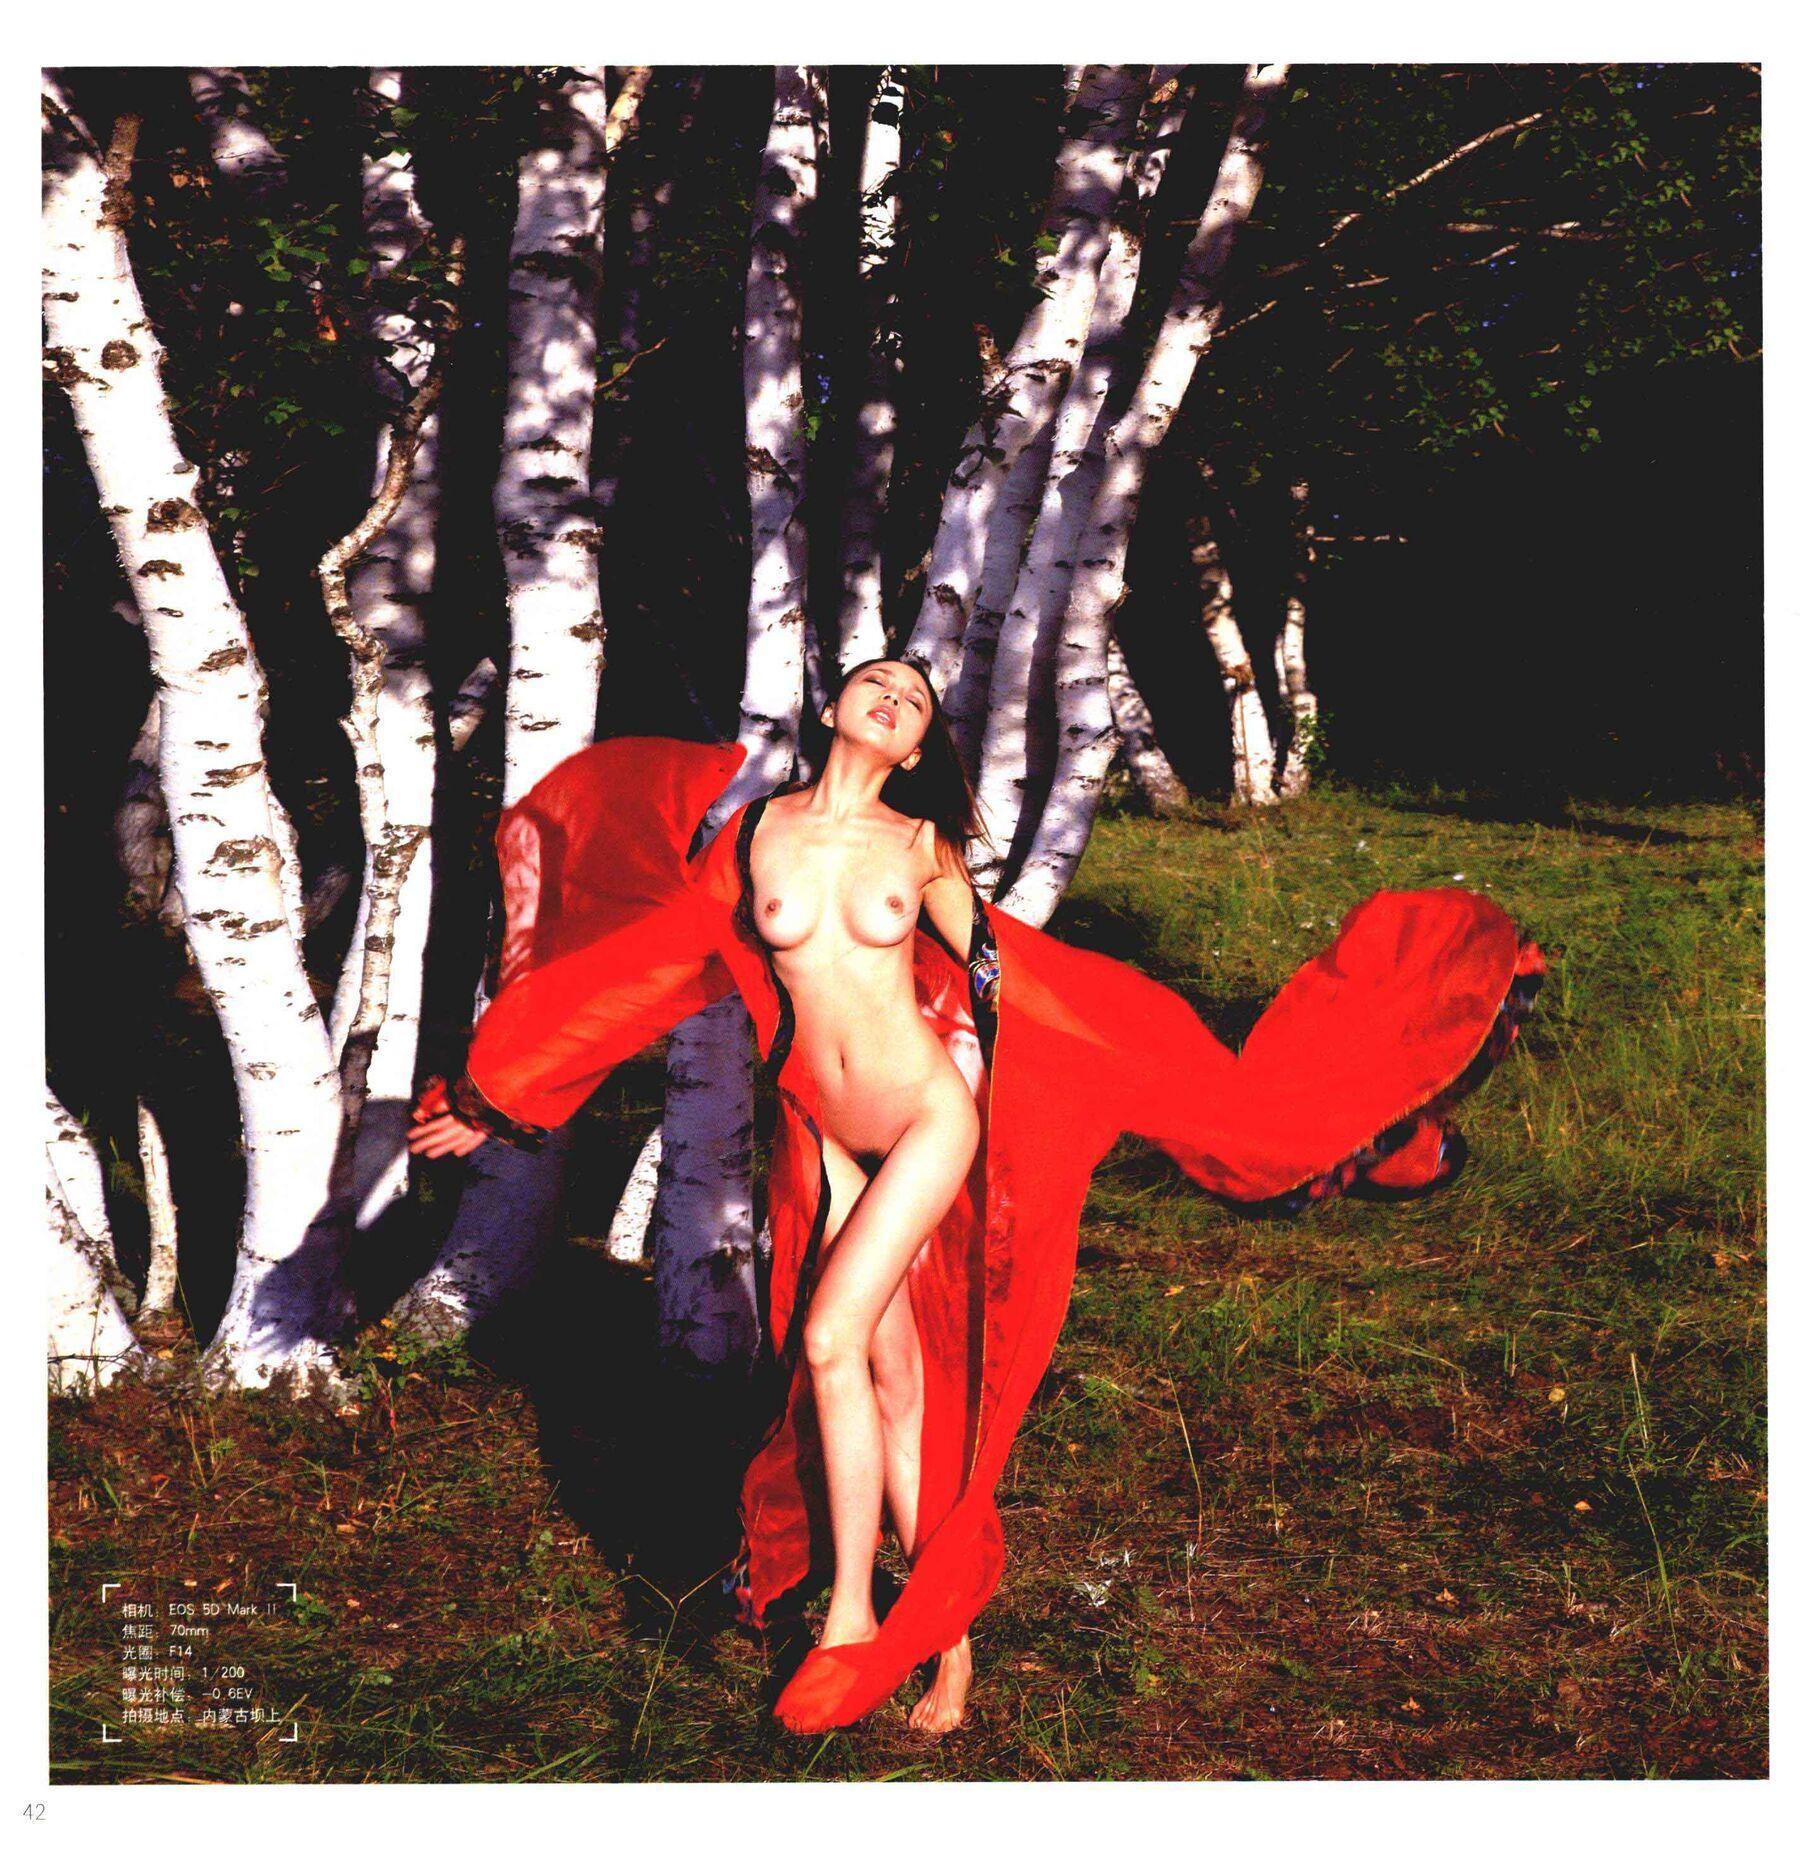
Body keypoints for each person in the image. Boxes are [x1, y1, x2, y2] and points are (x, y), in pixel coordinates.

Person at [407, 652, 1545, 1737]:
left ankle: (853, 1620)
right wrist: (499, 1092)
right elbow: (652, 966)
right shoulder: (754, 837)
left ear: (915, 750)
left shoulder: (920, 845)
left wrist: (1083, 1070)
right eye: (875, 681)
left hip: (923, 1116)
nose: (893, 695)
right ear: (835, 711)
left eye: (914, 698)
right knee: (892, 1379)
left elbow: (1010, 974)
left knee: (828, 1337)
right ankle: (948, 1640)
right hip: (817, 1129)